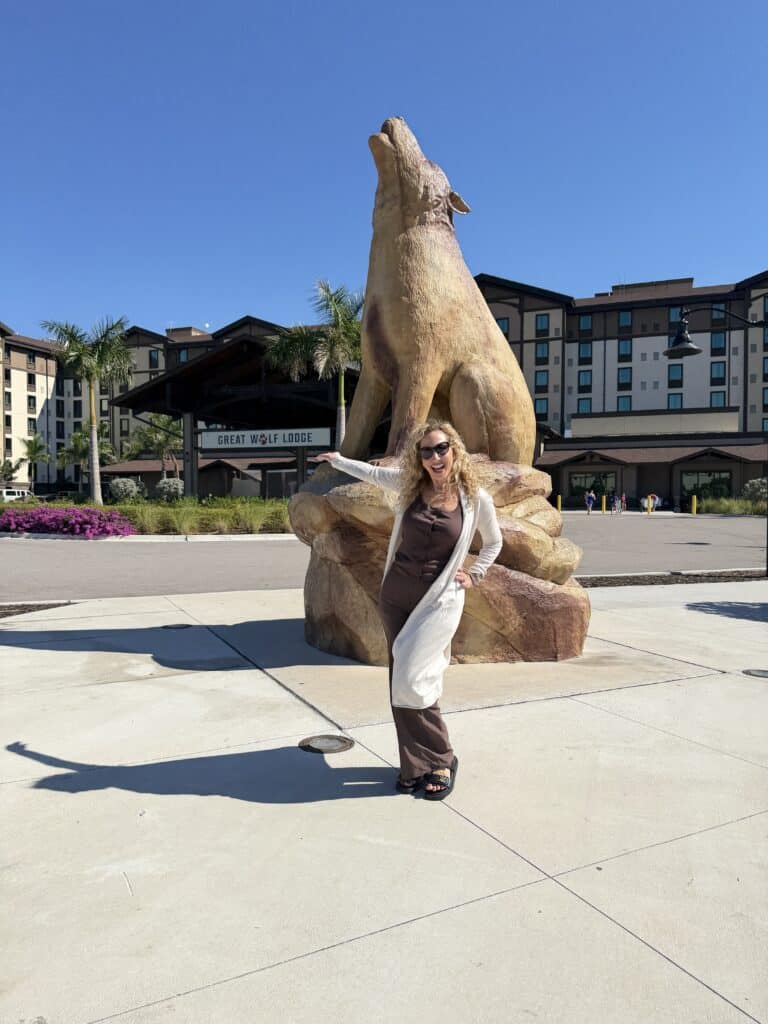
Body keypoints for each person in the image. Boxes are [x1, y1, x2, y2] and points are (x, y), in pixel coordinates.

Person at [311, 421, 502, 800]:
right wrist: (339, 461)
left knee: (417, 679)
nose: (434, 458)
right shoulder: (410, 487)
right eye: (426, 452)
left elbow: (494, 542)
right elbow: (373, 473)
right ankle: (415, 766)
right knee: (402, 682)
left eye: (441, 448)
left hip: (439, 600)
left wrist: (475, 574)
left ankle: (442, 757)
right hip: (396, 598)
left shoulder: (474, 497)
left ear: (455, 450)